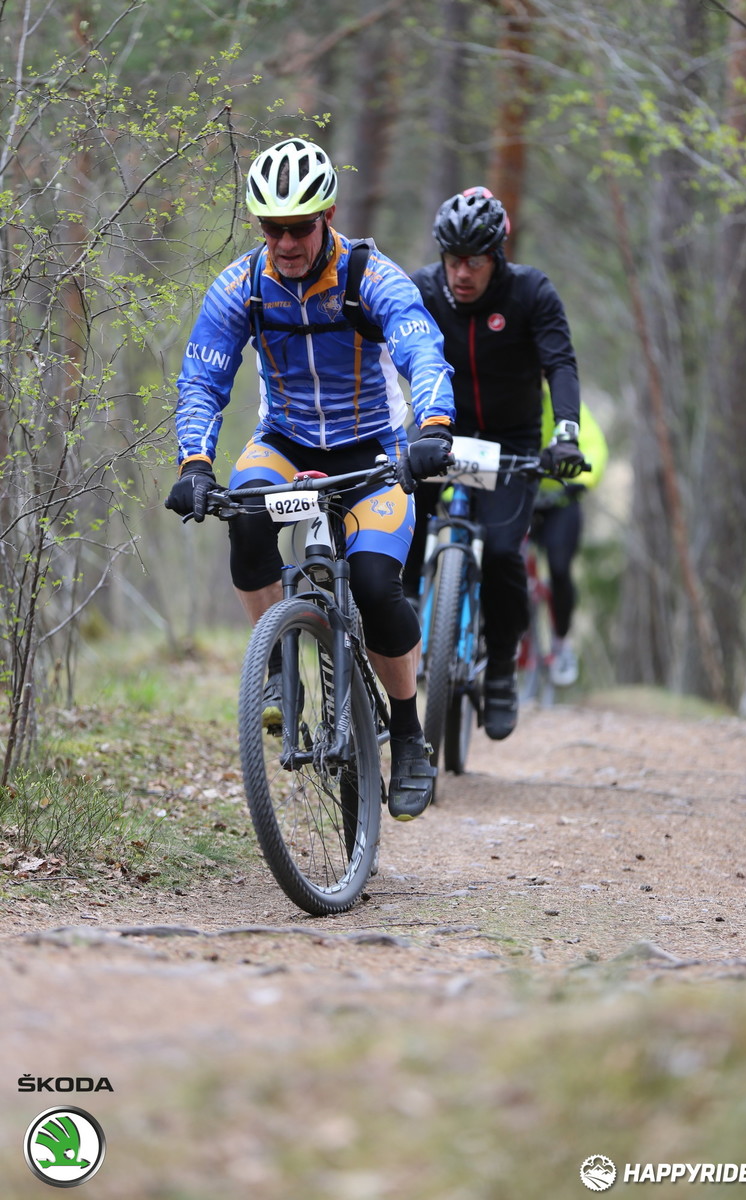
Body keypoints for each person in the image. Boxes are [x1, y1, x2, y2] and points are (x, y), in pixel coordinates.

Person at [165, 137, 455, 821]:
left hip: (373, 453)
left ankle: (408, 736)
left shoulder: (372, 277)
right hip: (286, 445)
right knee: (245, 515)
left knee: (381, 584)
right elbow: (203, 380)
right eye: (273, 229)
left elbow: (421, 346)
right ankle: (273, 667)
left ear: (327, 216)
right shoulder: (241, 286)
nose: (287, 242)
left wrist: (433, 427)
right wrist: (195, 463)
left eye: (299, 227)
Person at [405, 186, 586, 740]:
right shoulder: (423, 290)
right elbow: (390, 356)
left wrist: (567, 435)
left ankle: (502, 669)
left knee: (507, 553)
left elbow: (560, 363)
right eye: (453, 260)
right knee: (403, 523)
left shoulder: (531, 292)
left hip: (511, 443)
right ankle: (404, 630)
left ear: (496, 257)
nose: (462, 273)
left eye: (475, 262)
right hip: (443, 435)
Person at [531, 390, 608, 687]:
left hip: (560, 503)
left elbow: (595, 446)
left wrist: (580, 482)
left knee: (560, 570)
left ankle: (561, 642)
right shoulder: (507, 392)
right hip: (521, 499)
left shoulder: (562, 401)